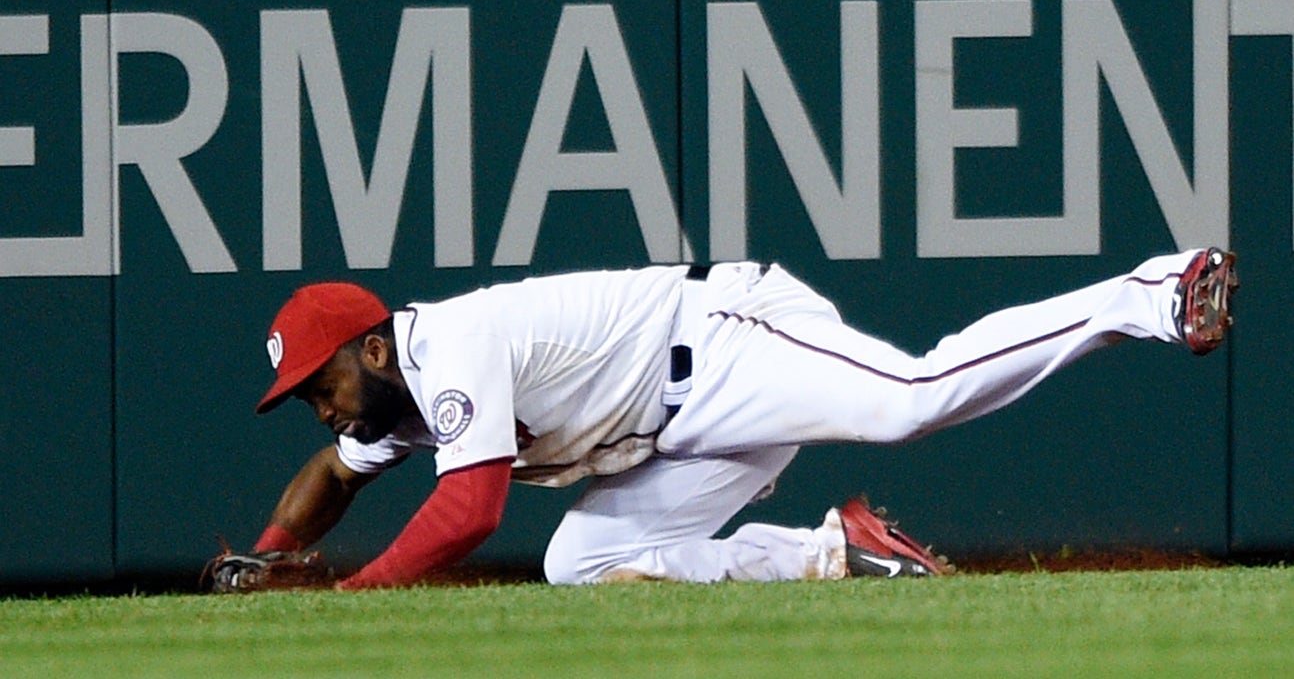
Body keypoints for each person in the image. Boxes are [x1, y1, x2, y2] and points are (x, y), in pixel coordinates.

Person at [248, 248, 1238, 588]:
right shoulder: (388, 400)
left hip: (725, 343)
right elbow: (332, 474)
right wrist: (261, 550)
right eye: (303, 398)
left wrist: (363, 591)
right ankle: (833, 552)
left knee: (910, 398)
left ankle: (1151, 289)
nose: (319, 405)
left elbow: (469, 513)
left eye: (319, 382)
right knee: (578, 564)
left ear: (371, 346)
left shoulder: (447, 346)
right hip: (672, 434)